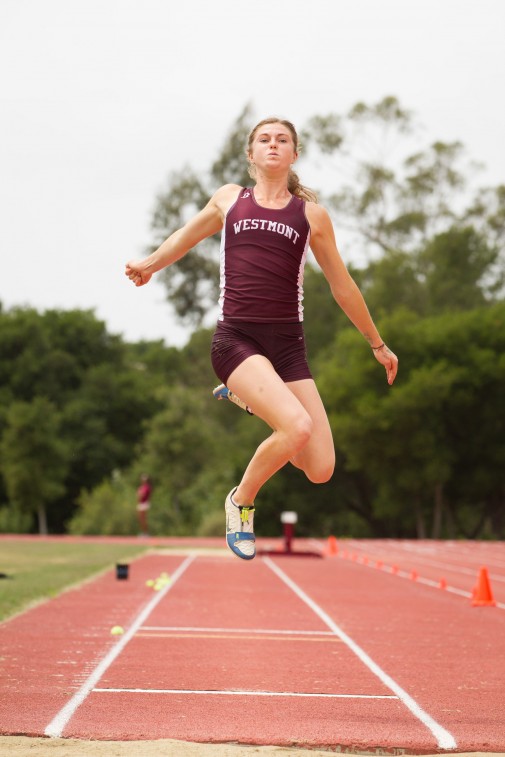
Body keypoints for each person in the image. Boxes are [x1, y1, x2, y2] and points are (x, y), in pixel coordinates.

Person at [125, 117, 398, 561]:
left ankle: (248, 399)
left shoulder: (311, 216)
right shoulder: (230, 199)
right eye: (264, 140)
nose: (273, 145)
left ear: (294, 154)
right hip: (237, 340)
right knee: (296, 426)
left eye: (282, 139)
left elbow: (342, 285)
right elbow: (185, 237)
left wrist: (377, 343)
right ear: (251, 154)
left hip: (288, 348)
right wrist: (150, 264)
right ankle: (242, 501)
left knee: (320, 468)